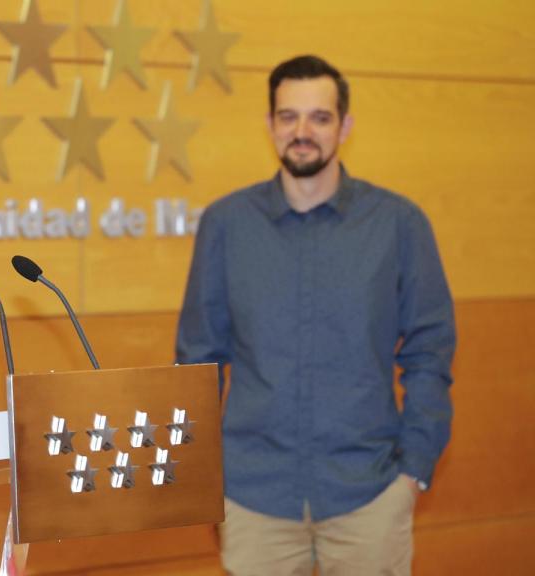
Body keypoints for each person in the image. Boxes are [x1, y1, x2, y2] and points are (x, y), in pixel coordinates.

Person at [176, 55, 455, 575]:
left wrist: (413, 470)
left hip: (369, 494)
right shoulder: (226, 224)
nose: (302, 132)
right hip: (251, 499)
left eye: (319, 118)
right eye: (288, 116)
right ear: (270, 125)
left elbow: (429, 353)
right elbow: (198, 362)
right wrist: (204, 478)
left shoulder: (399, 224)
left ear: (344, 127)